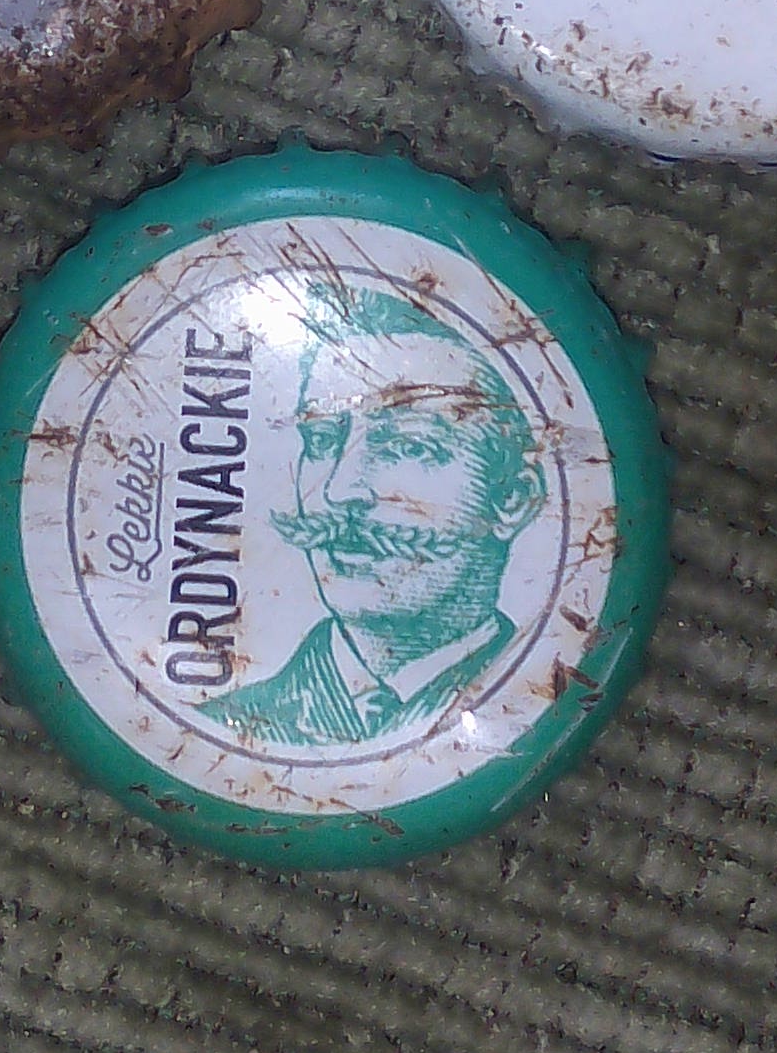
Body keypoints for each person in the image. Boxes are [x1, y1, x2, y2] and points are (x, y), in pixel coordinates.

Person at [204, 286, 547, 748]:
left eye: (409, 446)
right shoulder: (216, 725)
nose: (340, 490)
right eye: (323, 440)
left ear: (512, 499)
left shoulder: (541, 690)